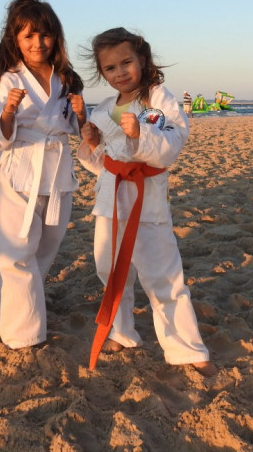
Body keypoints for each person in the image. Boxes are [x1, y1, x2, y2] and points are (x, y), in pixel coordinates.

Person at [78, 27, 216, 378]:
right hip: (111, 199)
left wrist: (142, 133)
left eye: (126, 62)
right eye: (110, 68)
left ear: (142, 59)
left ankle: (187, 348)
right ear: (102, 73)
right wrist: (92, 143)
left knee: (162, 274)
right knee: (109, 269)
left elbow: (173, 142)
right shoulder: (104, 108)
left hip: (146, 198)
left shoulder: (158, 100)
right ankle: (122, 332)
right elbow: (104, 163)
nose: (120, 72)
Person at [0, 0, 86, 350]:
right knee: (18, 250)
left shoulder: (66, 79)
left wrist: (81, 113)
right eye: (28, 36)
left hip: (56, 171)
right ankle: (21, 335)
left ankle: (25, 308)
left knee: (47, 245)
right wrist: (8, 112)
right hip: (20, 168)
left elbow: (77, 128)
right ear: (15, 39)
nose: (38, 43)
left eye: (45, 35)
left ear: (56, 37)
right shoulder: (7, 79)